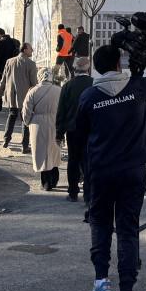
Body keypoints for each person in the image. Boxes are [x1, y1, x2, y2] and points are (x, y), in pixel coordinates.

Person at [75, 43, 146, 291]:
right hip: (133, 172)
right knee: (128, 230)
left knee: (100, 224)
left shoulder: (89, 96)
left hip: (101, 172)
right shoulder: (137, 87)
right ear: (120, 65)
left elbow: (78, 138)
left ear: (96, 68)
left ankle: (100, 283)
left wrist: (82, 174)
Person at [57, 56, 94, 203]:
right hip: (91, 129)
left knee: (73, 160)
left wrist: (59, 133)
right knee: (88, 160)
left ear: (74, 69)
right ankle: (88, 194)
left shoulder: (67, 86)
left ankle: (73, 192)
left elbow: (62, 111)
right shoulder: (94, 84)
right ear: (88, 69)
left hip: (72, 129)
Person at [24, 67, 62, 190]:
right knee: (54, 151)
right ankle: (54, 180)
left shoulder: (33, 91)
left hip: (37, 124)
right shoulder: (59, 90)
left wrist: (28, 122)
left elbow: (26, 111)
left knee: (41, 153)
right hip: (54, 122)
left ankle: (45, 183)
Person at [0, 43, 38, 152]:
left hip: (12, 95)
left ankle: (6, 140)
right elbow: (34, 83)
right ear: (25, 50)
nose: (32, 50)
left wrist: (0, 92)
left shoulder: (9, 61)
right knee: (25, 120)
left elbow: (4, 78)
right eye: (31, 49)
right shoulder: (30, 64)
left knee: (11, 116)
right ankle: (24, 146)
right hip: (25, 96)